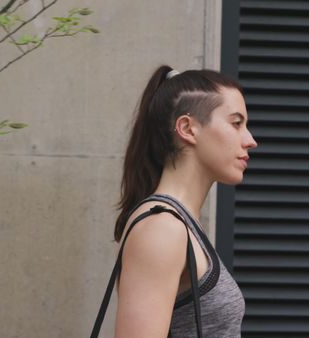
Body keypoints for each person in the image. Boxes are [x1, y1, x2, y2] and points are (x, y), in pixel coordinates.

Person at [112, 65, 258, 337]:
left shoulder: (180, 224)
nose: (250, 140)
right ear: (188, 128)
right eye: (236, 123)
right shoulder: (161, 228)